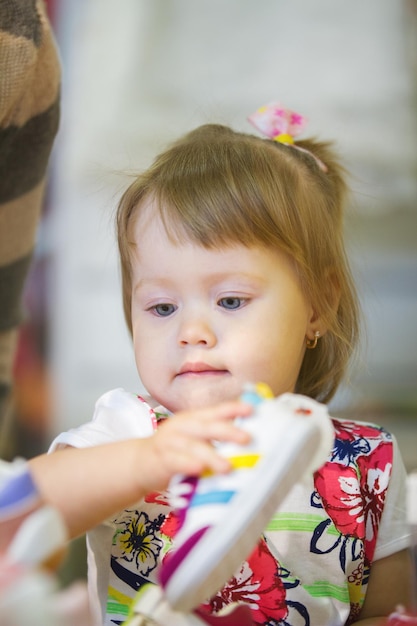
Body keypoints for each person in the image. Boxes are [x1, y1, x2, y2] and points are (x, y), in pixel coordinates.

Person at [49, 103, 412, 626]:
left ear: (318, 305)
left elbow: (388, 611)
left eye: (231, 301)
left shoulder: (368, 461)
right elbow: (31, 506)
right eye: (162, 307)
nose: (191, 331)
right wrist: (144, 463)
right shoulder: (130, 431)